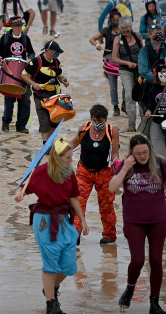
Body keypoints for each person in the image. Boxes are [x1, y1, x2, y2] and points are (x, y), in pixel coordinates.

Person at [14, 139, 88, 314]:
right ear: (56, 157)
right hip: (44, 221)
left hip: (63, 221)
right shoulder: (40, 172)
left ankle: (50, 289)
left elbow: (73, 197)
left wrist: (82, 220)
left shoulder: (70, 173)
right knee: (51, 264)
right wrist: (18, 193)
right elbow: (22, 187)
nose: (71, 160)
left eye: (72, 157)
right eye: (68, 157)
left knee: (69, 266)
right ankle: (51, 304)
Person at [109, 135, 166, 314]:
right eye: (138, 153)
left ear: (150, 149)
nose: (142, 156)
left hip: (158, 220)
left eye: (145, 152)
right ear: (132, 152)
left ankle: (155, 302)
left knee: (156, 260)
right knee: (138, 260)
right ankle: (130, 288)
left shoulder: (160, 163)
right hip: (134, 221)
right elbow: (112, 188)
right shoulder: (127, 165)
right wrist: (124, 168)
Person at [68, 105, 119, 245]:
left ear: (106, 119)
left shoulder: (111, 131)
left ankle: (109, 235)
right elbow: (73, 143)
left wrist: (116, 161)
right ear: (92, 119)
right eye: (95, 120)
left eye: (101, 120)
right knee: (78, 201)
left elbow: (115, 153)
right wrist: (61, 148)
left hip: (104, 172)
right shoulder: (84, 128)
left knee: (106, 204)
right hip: (84, 171)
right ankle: (74, 234)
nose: (98, 123)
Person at [22, 40, 69, 143]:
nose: (57, 55)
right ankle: (45, 144)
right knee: (44, 122)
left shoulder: (56, 62)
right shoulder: (35, 62)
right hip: (40, 96)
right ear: (50, 51)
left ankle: (49, 142)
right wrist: (34, 84)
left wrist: (64, 81)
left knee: (54, 121)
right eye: (56, 52)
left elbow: (60, 75)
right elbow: (23, 75)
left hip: (54, 96)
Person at [0, 16, 35, 133]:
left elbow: (32, 52)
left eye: (20, 25)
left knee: (25, 100)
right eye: (17, 26)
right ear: (11, 27)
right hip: (9, 73)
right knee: (9, 101)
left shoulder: (25, 38)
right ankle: (6, 122)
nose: (19, 28)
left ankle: (21, 126)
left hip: (23, 74)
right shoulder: (5, 38)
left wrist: (30, 59)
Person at [111, 16, 143, 132]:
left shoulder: (138, 36)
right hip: (125, 70)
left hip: (140, 70)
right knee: (129, 95)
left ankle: (144, 123)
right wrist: (128, 63)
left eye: (127, 27)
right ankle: (131, 124)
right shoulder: (117, 39)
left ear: (131, 27)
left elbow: (143, 52)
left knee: (142, 95)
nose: (125, 30)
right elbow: (114, 58)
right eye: (123, 28)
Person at [89, 9, 123, 116]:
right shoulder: (106, 31)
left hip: (123, 60)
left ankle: (125, 104)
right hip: (110, 61)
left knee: (127, 85)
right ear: (111, 20)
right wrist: (97, 45)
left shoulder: (125, 29)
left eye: (118, 19)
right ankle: (116, 107)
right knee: (113, 87)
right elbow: (92, 39)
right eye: (114, 19)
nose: (116, 21)